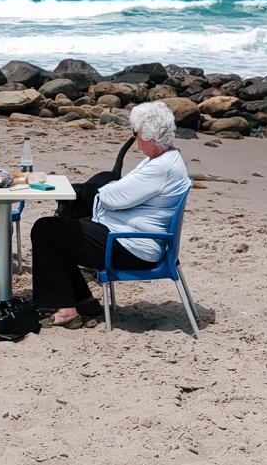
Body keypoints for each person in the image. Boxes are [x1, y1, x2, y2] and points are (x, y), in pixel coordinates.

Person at [30, 99, 189, 328]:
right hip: (133, 237)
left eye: (136, 134)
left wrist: (105, 190)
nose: (136, 141)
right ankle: (83, 301)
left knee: (46, 230)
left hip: (132, 245)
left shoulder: (159, 167)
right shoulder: (169, 158)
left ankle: (67, 308)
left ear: (149, 136)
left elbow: (112, 197)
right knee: (58, 227)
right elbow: (124, 192)